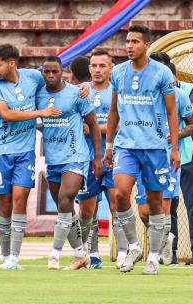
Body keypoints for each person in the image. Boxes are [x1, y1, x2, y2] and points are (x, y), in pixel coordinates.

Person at [104, 24, 180, 275]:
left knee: (155, 204)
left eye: (135, 41)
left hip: (155, 147)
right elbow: (114, 110)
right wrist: (109, 145)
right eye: (127, 41)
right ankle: (134, 246)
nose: (129, 46)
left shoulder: (162, 74)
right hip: (126, 145)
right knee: (121, 194)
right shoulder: (118, 73)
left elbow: (171, 112)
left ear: (147, 45)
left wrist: (175, 148)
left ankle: (155, 257)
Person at [0, 44, 61, 270]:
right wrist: (40, 113)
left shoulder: (32, 77)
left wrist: (83, 89)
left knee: (20, 199)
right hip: (0, 151)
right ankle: (5, 254)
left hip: (24, 152)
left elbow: (55, 83)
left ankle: (14, 258)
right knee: (5, 204)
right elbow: (6, 115)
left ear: (11, 63)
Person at [36, 56, 103, 270]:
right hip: (53, 159)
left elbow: (93, 125)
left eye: (55, 71)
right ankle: (81, 254)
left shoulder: (76, 93)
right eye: (47, 72)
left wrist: (97, 156)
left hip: (76, 156)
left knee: (66, 199)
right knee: (63, 209)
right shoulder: (38, 94)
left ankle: (54, 254)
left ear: (63, 71)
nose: (51, 75)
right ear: (42, 73)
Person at [136, 60, 193, 265]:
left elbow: (192, 126)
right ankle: (164, 240)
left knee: (164, 205)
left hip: (168, 156)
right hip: (144, 155)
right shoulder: (142, 96)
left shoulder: (180, 97)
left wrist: (176, 135)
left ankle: (158, 254)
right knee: (144, 211)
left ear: (173, 78)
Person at [74, 50, 129, 270]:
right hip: (85, 157)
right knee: (87, 210)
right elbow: (70, 119)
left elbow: (120, 123)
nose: (97, 70)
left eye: (102, 66)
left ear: (111, 69)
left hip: (113, 155)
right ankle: (92, 253)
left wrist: (94, 128)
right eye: (94, 66)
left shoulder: (118, 91)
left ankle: (123, 252)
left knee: (117, 204)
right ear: (89, 69)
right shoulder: (80, 91)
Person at [151, 51, 193, 266]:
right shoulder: (150, 93)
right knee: (168, 206)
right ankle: (169, 254)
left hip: (187, 155)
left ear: (173, 73)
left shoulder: (187, 90)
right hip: (161, 156)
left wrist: (174, 133)